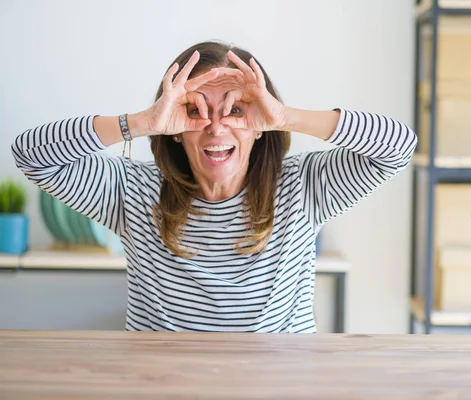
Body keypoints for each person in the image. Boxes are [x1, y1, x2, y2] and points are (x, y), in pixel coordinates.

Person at [12, 41, 417, 333]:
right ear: (173, 128)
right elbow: (31, 154)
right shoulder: (132, 191)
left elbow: (399, 146)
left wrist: (285, 115)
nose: (216, 127)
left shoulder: (304, 186)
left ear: (261, 126)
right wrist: (140, 122)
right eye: (194, 110)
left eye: (236, 110)